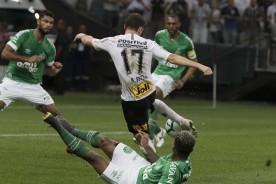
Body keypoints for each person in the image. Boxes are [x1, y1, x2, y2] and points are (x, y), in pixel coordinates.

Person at [74, 13, 212, 152]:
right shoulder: (149, 43)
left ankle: (153, 165)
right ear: (140, 30)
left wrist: (81, 35)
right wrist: (200, 66)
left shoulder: (112, 41)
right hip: (147, 89)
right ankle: (180, 120)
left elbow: (89, 41)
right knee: (153, 101)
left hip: (131, 99)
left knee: (141, 137)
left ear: (124, 27)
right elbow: (172, 58)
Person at [42, 112, 196, 184]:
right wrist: (146, 146)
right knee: (103, 141)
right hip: (140, 167)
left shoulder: (173, 170)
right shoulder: (182, 160)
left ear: (174, 146)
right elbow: (160, 164)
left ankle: (57, 126)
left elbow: (168, 172)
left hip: (130, 180)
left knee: (94, 158)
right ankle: (73, 131)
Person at [149, 14, 199, 148]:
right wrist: (146, 72)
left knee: (154, 96)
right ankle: (158, 131)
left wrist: (182, 81)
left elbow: (194, 63)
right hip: (156, 73)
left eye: (174, 24)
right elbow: (154, 53)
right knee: (140, 100)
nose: (171, 26)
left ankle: (148, 134)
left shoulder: (186, 42)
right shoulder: (159, 35)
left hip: (171, 77)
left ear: (179, 24)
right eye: (169, 24)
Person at [0, 10, 63, 116]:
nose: (48, 25)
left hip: (33, 86)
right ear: (38, 22)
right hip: (12, 82)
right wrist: (27, 59)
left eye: (51, 23)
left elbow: (50, 72)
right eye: (45, 21)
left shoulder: (50, 47)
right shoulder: (24, 35)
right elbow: (5, 53)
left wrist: (55, 70)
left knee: (56, 115)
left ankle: (73, 133)